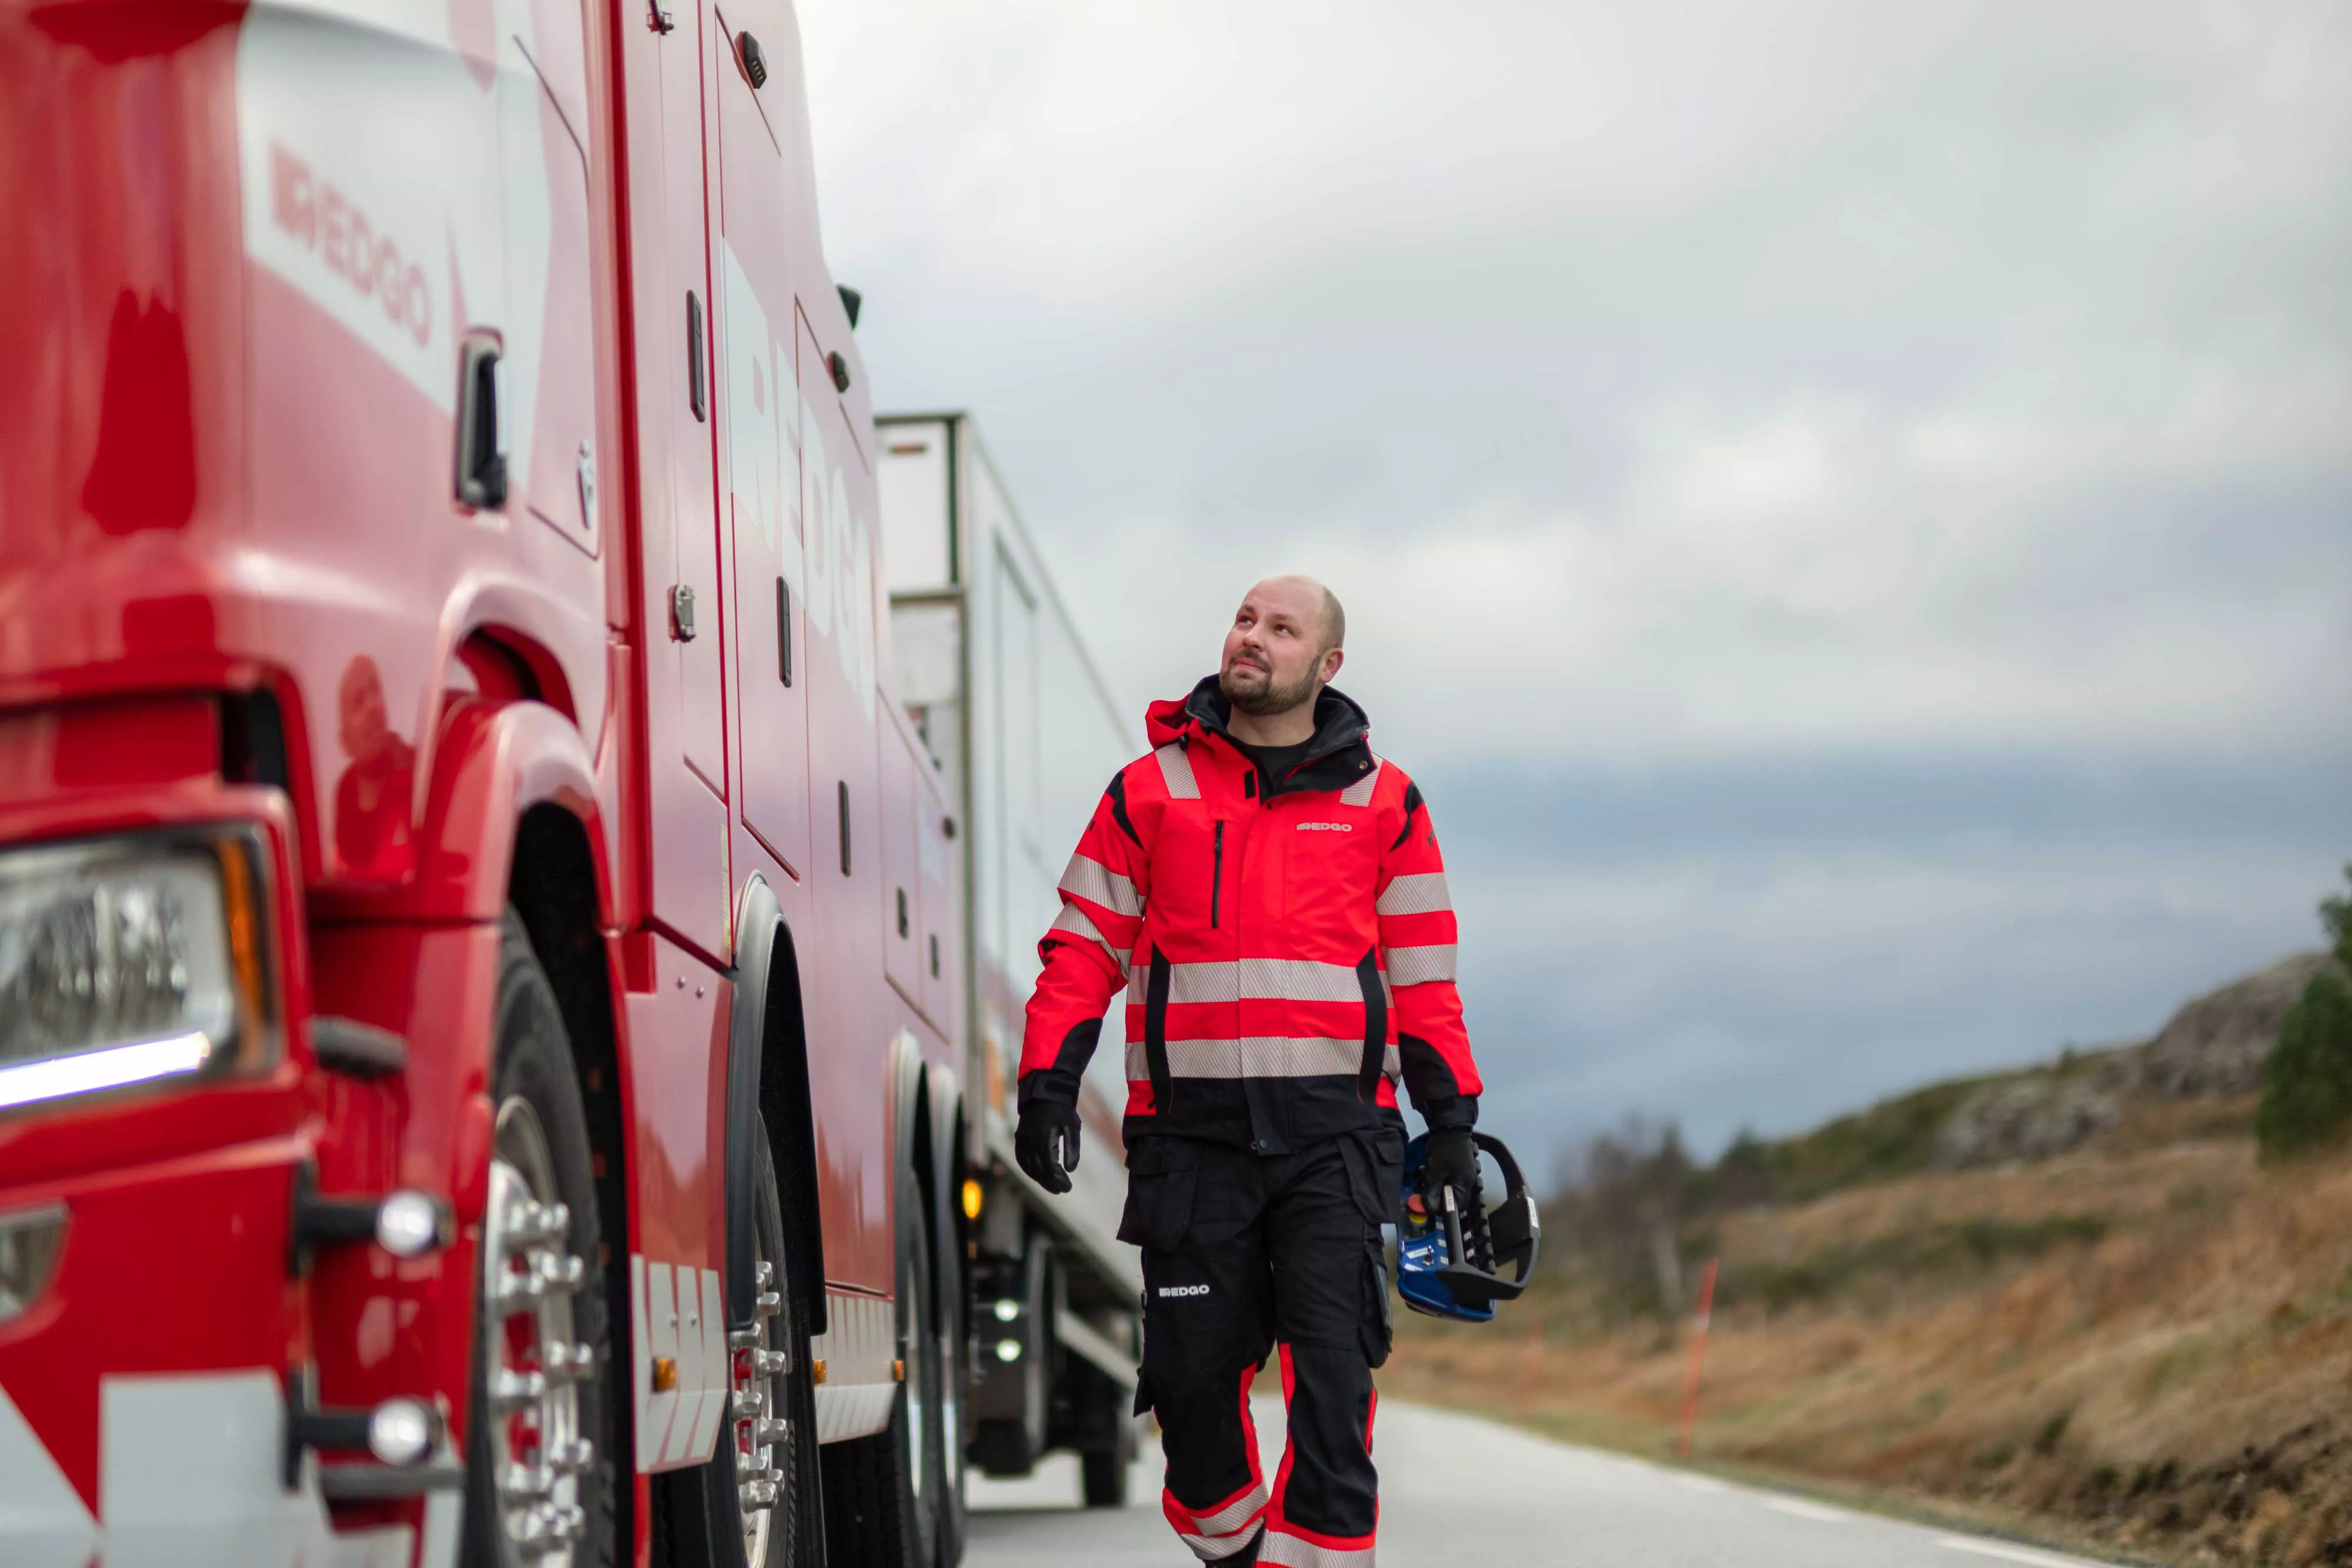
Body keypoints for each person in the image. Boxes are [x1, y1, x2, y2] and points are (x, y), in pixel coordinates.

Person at [1014, 575, 1486, 1566]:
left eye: (1281, 628)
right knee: (1188, 1395)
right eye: (1243, 619)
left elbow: (1425, 976)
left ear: (1327, 664)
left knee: (1333, 1377)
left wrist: (1449, 1125)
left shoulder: (1385, 801)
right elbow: (1084, 945)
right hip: (1193, 1145)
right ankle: (1234, 1551)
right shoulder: (1151, 790)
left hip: (1339, 1141)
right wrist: (1050, 1079)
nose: (1252, 639)